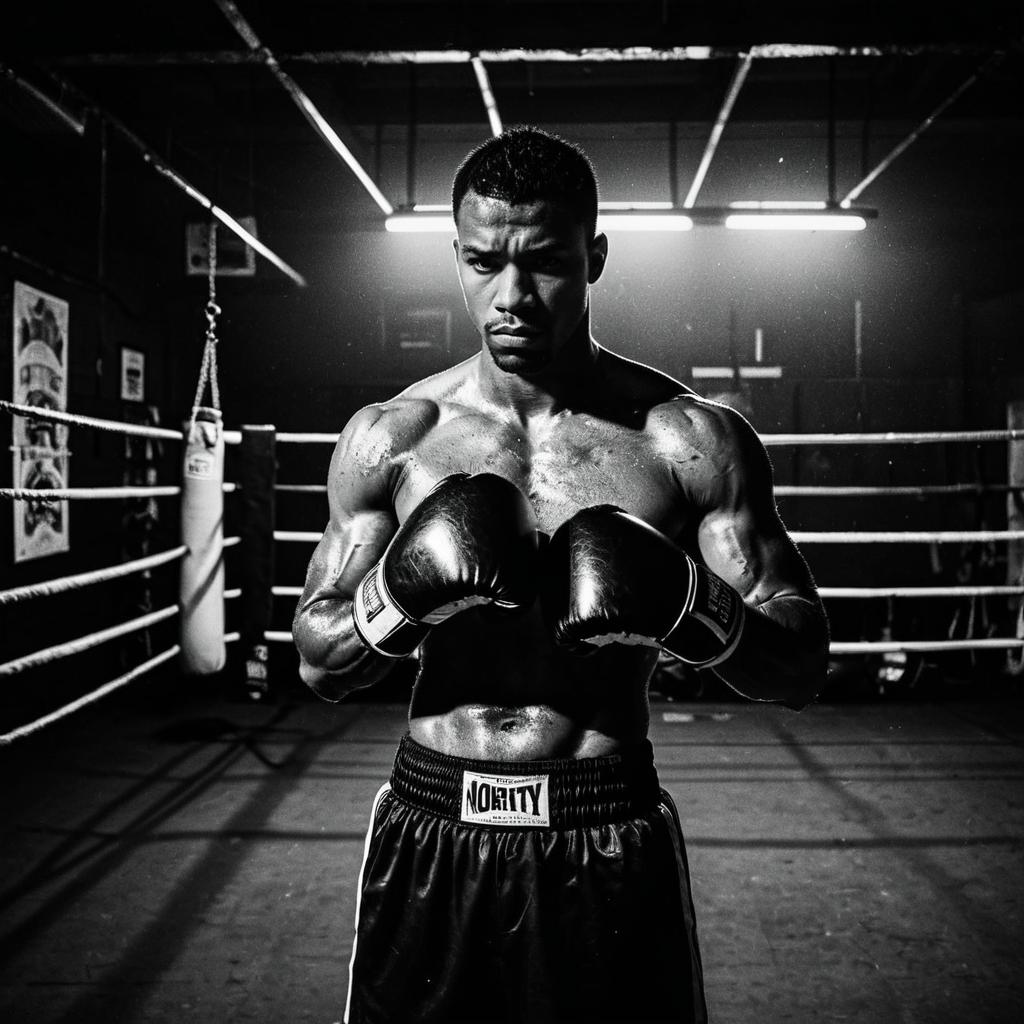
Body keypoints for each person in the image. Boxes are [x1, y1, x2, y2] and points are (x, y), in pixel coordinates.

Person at [293, 125, 829, 1024]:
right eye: (482, 262)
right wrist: (402, 594)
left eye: (544, 263)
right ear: (456, 257)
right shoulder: (394, 437)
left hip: (603, 831)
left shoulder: (686, 443)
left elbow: (801, 660)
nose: (511, 296)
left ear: (596, 258)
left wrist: (691, 606)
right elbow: (318, 660)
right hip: (435, 824)